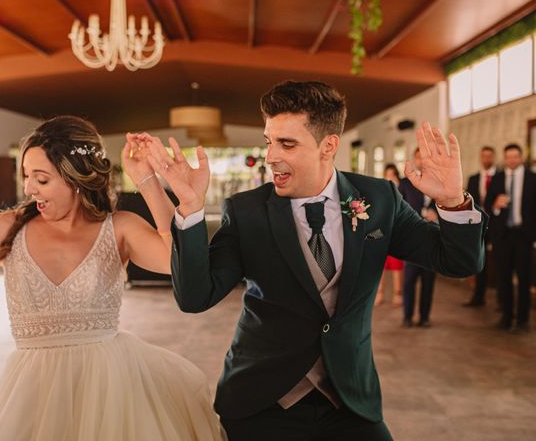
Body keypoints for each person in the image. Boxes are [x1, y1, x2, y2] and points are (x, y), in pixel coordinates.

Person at [146, 81, 486, 441]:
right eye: (269, 141)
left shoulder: (380, 199)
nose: (270, 156)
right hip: (262, 400)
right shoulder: (246, 211)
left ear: (329, 146)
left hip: (349, 399)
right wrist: (190, 208)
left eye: (287, 144)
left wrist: (452, 202)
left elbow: (459, 262)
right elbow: (195, 297)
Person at [0, 116, 224, 440]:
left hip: (110, 389)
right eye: (26, 176)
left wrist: (148, 181)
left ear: (76, 178)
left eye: (41, 179)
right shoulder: (7, 230)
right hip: (33, 391)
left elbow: (180, 262)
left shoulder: (119, 228)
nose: (27, 188)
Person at [485, 143, 536, 333]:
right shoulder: (497, 178)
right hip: (503, 236)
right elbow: (488, 205)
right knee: (503, 278)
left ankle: (522, 320)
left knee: (524, 279)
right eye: (508, 156)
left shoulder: (532, 178)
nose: (512, 160)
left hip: (524, 236)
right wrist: (496, 205)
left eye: (515, 156)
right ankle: (506, 317)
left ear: (521, 157)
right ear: (504, 158)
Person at [398, 148, 440, 328]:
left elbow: (446, 205)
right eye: (418, 157)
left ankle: (425, 317)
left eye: (425, 157)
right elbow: (399, 209)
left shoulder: (439, 183)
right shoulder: (405, 184)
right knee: (409, 281)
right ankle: (407, 316)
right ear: (415, 159)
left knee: (428, 282)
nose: (422, 161)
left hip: (433, 241)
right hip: (412, 240)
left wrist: (437, 216)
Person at [463, 146, 497, 307]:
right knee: (479, 261)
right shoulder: (474, 179)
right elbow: (469, 203)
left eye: (489, 156)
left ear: (494, 157)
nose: (487, 159)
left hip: (498, 227)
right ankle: (478, 297)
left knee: (499, 262)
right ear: (480, 157)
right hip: (479, 227)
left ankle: (502, 301)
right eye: (484, 156)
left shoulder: (500, 177)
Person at [375, 164, 403, 306]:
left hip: (398, 231)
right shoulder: (381, 190)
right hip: (383, 230)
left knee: (396, 264)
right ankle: (379, 293)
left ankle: (397, 294)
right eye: (388, 174)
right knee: (381, 264)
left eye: (393, 174)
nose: (390, 176)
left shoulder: (402, 190)